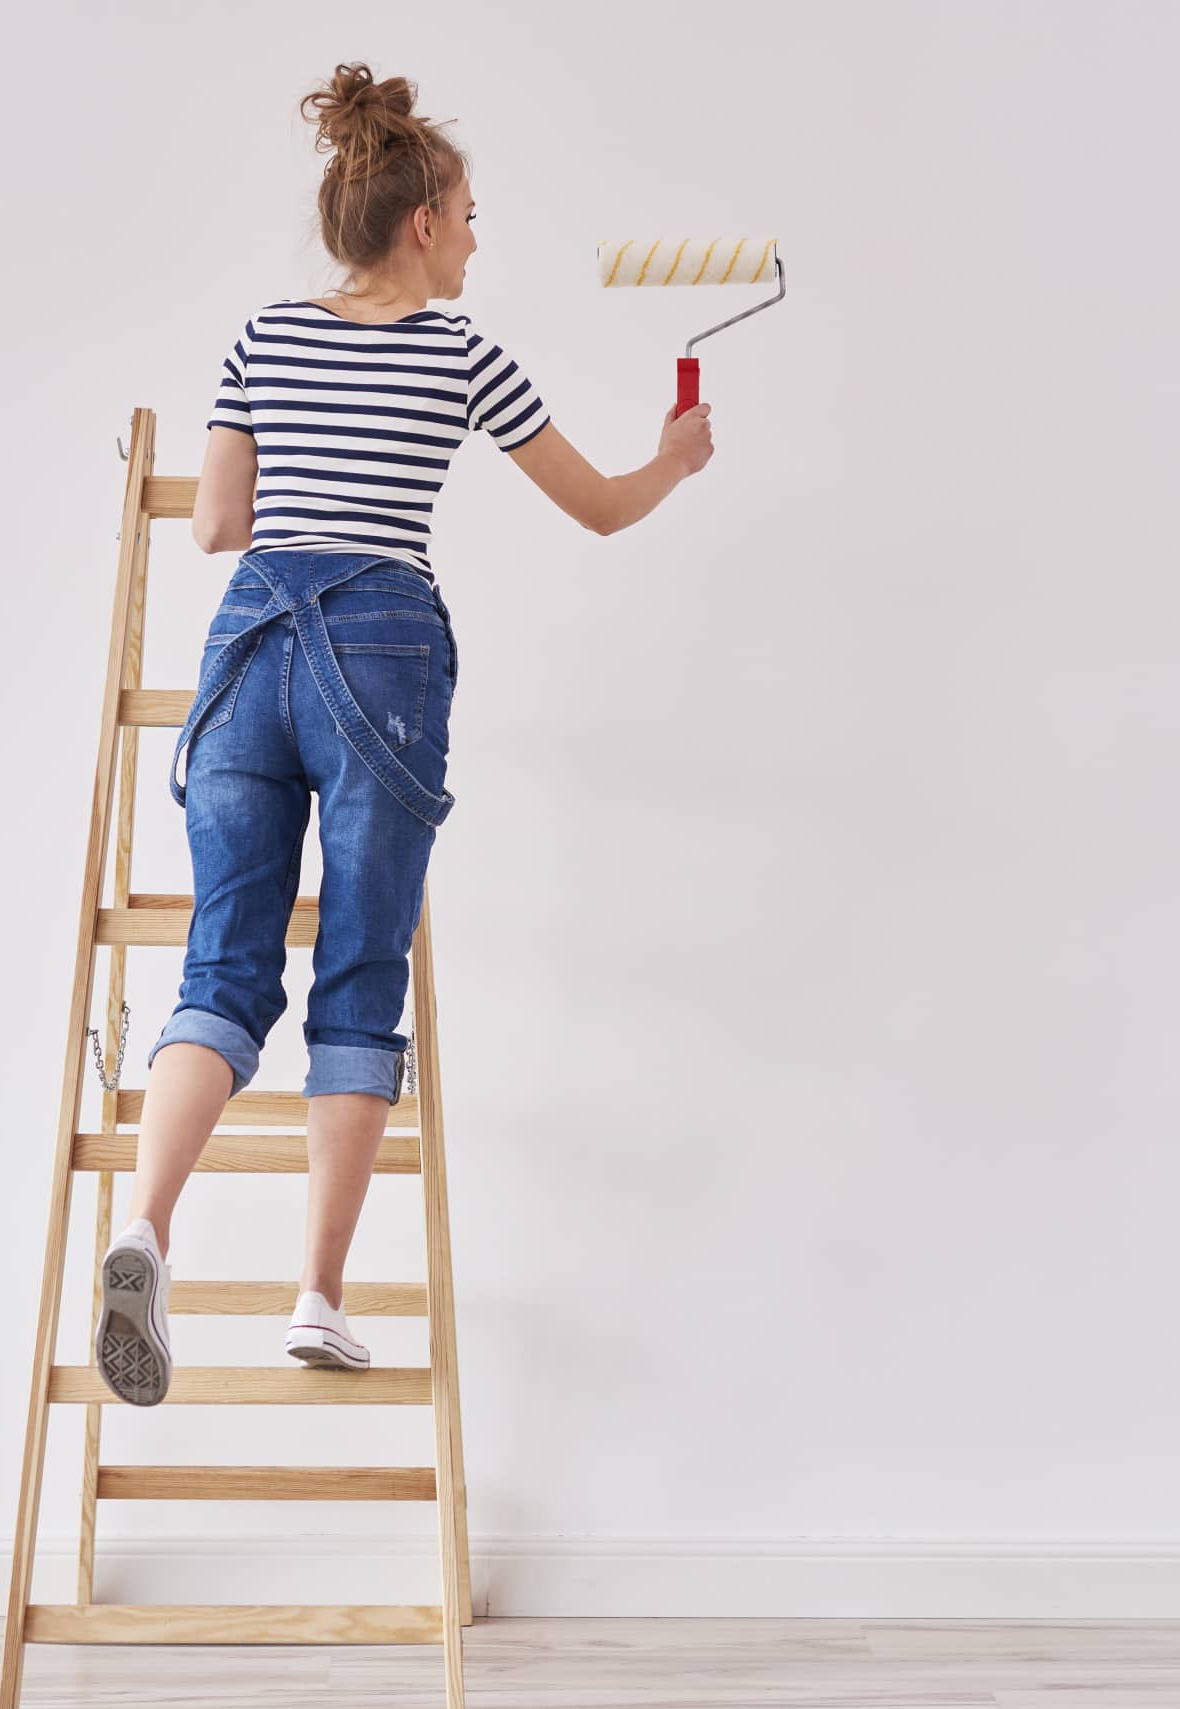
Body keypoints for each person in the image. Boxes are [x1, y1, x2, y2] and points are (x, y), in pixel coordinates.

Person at [92, 61, 715, 1405]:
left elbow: (211, 528)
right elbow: (600, 508)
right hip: (380, 646)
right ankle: (318, 1295)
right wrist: (676, 454)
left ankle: (146, 1224)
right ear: (422, 221)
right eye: (474, 215)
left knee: (224, 962)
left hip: (248, 647)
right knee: (360, 971)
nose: (480, 238)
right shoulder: (462, 352)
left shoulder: (261, 334)